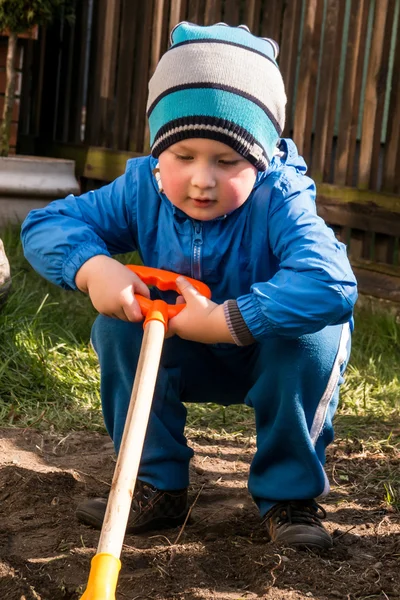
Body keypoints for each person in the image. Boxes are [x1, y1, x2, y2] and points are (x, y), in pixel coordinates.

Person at [21, 22, 357, 550]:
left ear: (262, 160)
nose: (203, 179)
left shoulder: (281, 198)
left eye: (228, 162)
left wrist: (228, 320)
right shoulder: (140, 188)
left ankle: (288, 496)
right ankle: (156, 483)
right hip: (177, 348)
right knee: (117, 331)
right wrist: (93, 267)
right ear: (158, 155)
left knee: (319, 335)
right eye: (183, 157)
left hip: (264, 352)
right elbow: (45, 225)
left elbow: (332, 282)